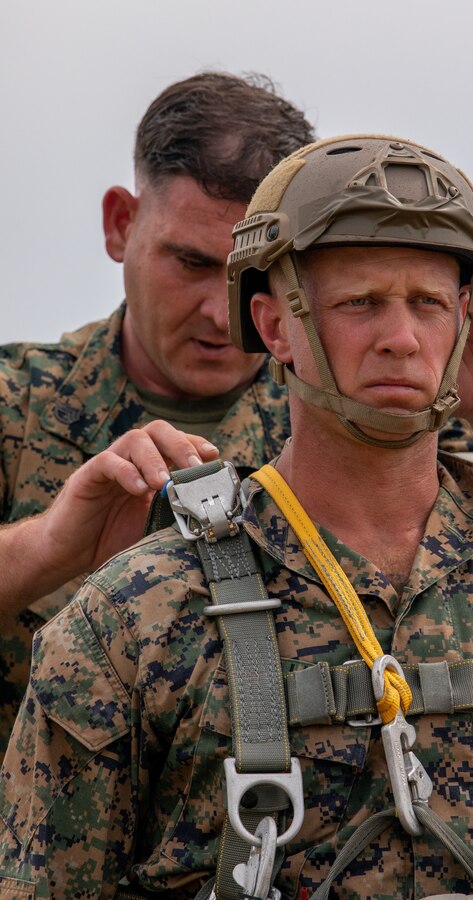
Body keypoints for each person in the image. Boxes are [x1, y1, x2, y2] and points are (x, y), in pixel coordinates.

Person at [1, 135, 473, 899]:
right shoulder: (131, 620)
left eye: (427, 303)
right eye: (360, 304)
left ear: (464, 318)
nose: (402, 339)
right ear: (276, 327)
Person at [0, 70, 316, 759]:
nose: (220, 313)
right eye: (191, 262)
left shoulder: (346, 432)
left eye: (249, 276)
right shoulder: (16, 403)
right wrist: (48, 547)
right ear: (122, 225)